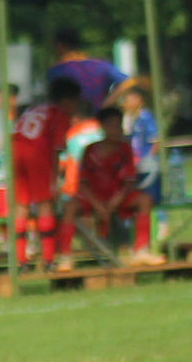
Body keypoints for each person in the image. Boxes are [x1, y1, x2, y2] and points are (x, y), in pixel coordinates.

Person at [11, 77, 86, 269]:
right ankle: (49, 259)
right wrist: (53, 177)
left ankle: (21, 260)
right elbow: (56, 149)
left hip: (16, 151)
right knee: (46, 203)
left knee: (22, 204)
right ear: (68, 100)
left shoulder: (35, 109)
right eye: (76, 102)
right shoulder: (59, 114)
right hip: (37, 155)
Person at [66, 108, 157, 264]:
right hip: (95, 197)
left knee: (145, 200)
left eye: (119, 125)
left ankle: (142, 249)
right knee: (70, 207)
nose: (119, 130)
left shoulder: (125, 149)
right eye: (114, 126)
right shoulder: (90, 151)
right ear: (104, 127)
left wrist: (118, 199)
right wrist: (97, 204)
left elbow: (129, 180)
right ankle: (65, 256)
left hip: (118, 197)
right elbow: (83, 183)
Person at [50, 28, 127, 111]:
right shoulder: (101, 66)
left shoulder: (57, 71)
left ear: (60, 46)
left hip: (72, 120)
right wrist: (106, 103)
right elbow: (128, 82)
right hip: (98, 119)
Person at [120, 84, 161, 204]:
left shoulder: (146, 117)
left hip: (146, 163)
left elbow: (156, 141)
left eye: (129, 99)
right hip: (134, 163)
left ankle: (163, 220)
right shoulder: (130, 118)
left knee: (151, 193)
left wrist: (149, 158)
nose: (126, 102)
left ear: (139, 100)